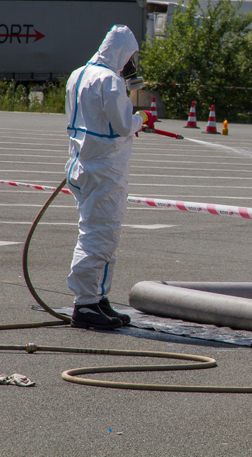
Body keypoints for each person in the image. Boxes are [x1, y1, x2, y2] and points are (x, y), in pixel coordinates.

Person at [64, 25, 153, 330]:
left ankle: (98, 297)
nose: (131, 64)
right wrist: (142, 119)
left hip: (80, 163)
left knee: (100, 232)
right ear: (122, 52)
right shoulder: (110, 81)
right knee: (100, 235)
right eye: (130, 57)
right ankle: (86, 304)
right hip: (105, 168)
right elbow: (123, 124)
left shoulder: (78, 74)